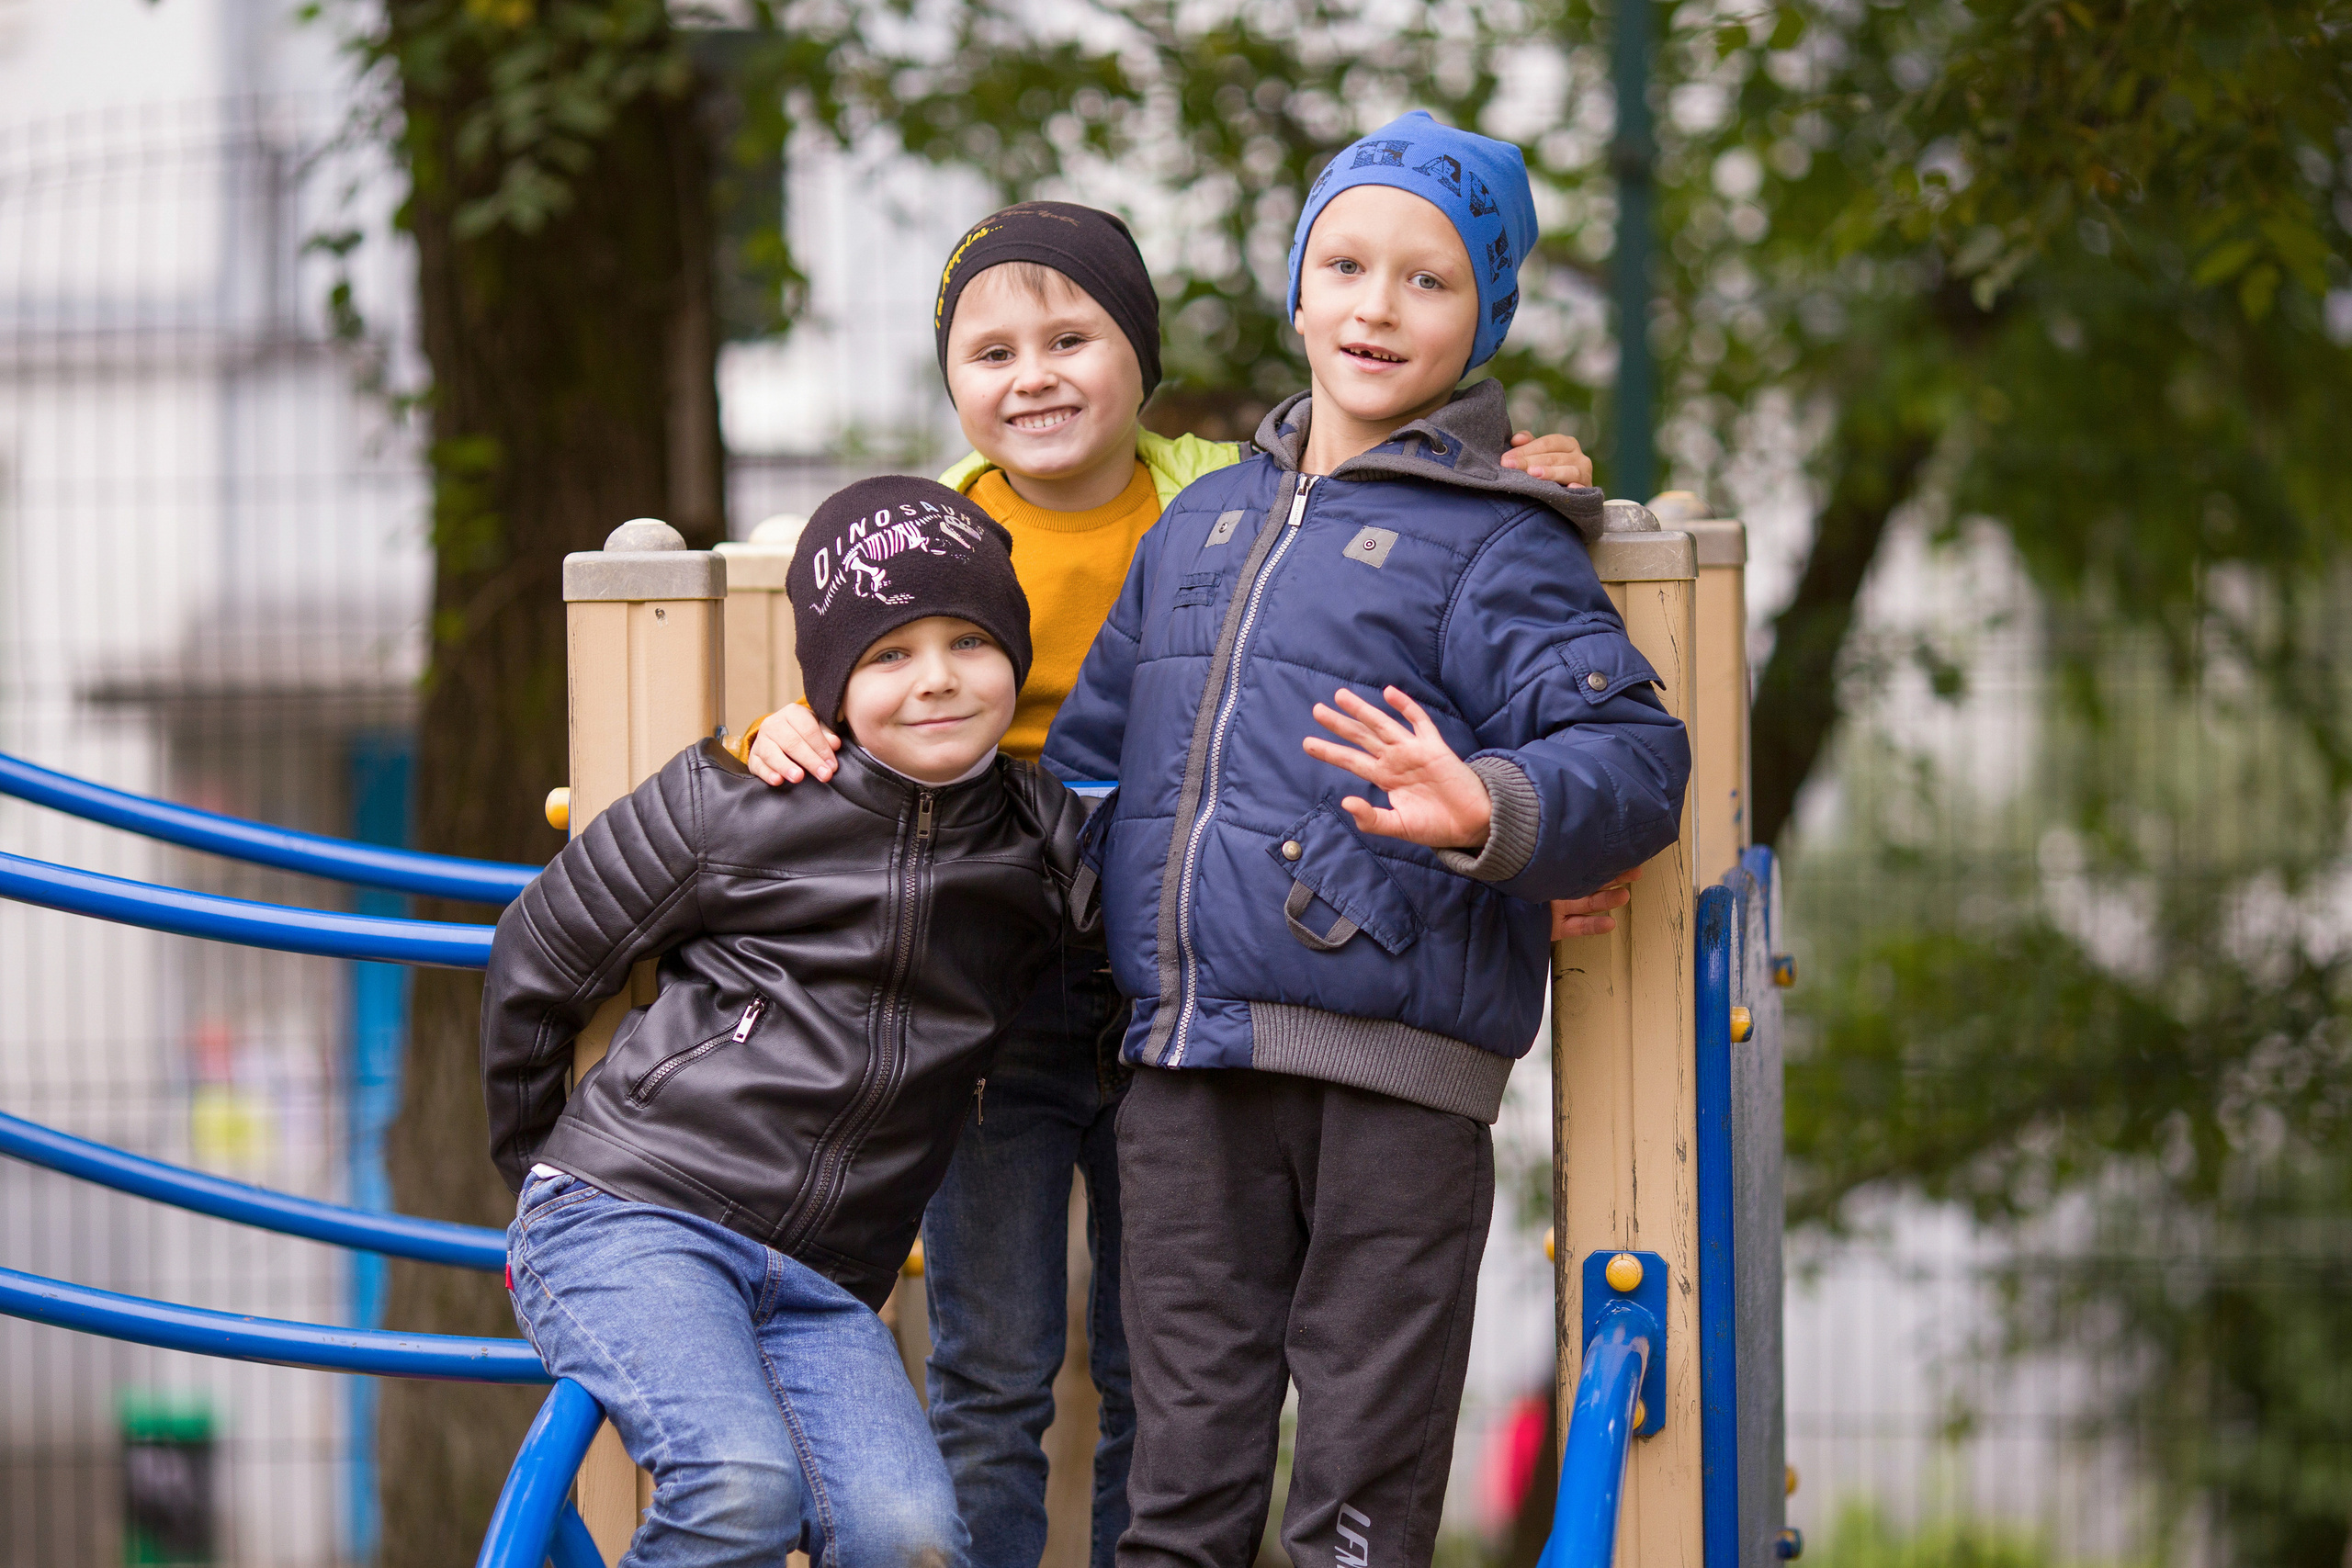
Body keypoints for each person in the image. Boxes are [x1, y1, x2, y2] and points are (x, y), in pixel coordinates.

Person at [737, 201, 1634, 1568]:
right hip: (994, 979)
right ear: (952, 383)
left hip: (1180, 987)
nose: (1033, 373)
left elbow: (1385, 500)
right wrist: (774, 729)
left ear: (1137, 357)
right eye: (991, 352)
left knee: (1168, 1364)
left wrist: (1510, 469)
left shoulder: (1228, 484)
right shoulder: (931, 532)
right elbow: (851, 689)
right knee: (997, 1354)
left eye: (1070, 336)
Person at [1041, 112, 1693, 1568]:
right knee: (1179, 1483)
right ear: (1295, 286)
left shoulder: (1503, 535)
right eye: (1345, 262)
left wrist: (1495, 812)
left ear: (1487, 318)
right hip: (1186, 1066)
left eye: (1428, 280)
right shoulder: (1198, 524)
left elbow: (1637, 755)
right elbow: (1087, 774)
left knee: (1357, 1492)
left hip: (1394, 1087)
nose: (1376, 306)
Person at [483, 476, 1096, 1568]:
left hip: (820, 1284)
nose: (939, 681)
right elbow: (540, 953)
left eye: (970, 641)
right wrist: (539, 1184)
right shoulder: (738, 799)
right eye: (890, 655)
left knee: (914, 1542)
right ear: (833, 685)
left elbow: (1162, 933)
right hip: (639, 1215)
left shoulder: (1039, 848)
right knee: (740, 1490)